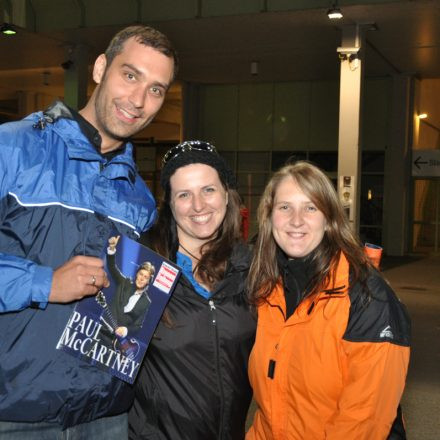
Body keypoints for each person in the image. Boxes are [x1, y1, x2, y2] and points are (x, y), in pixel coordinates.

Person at [0, 25, 177, 438]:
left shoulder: (140, 199)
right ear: (100, 68)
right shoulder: (12, 149)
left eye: (156, 89)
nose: (138, 100)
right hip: (16, 415)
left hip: (105, 418)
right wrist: (44, 282)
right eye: (130, 75)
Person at [246, 161, 411, 440]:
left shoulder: (367, 297)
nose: (296, 220)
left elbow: (363, 421)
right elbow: (270, 409)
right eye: (285, 207)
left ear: (329, 219)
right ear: (269, 216)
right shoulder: (266, 287)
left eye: (311, 207)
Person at [129, 140, 256, 439]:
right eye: (184, 194)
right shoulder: (142, 268)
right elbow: (107, 363)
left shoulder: (251, 269)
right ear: (170, 204)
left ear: (227, 195)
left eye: (208, 190)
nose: (198, 205)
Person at [105, 235, 155, 339]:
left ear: (148, 281)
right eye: (141, 274)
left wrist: (126, 330)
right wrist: (112, 248)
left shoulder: (146, 301)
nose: (141, 278)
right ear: (137, 274)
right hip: (104, 327)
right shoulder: (125, 282)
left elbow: (138, 326)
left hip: (117, 339)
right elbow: (112, 267)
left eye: (145, 277)